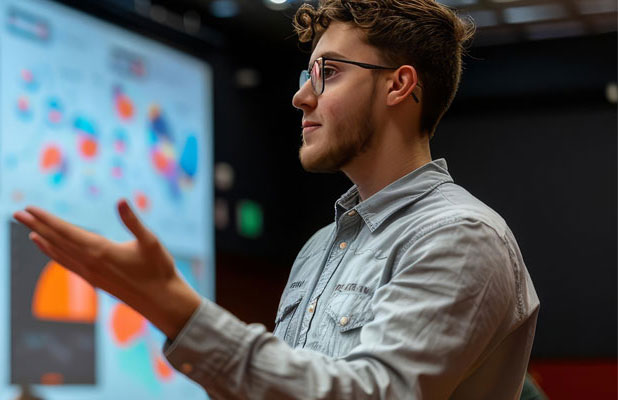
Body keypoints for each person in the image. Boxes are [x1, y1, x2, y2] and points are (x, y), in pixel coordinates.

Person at [13, 0, 540, 398]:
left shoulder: (461, 236)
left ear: (399, 86)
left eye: (327, 73)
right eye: (306, 75)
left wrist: (177, 309)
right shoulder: (318, 249)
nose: (301, 97)